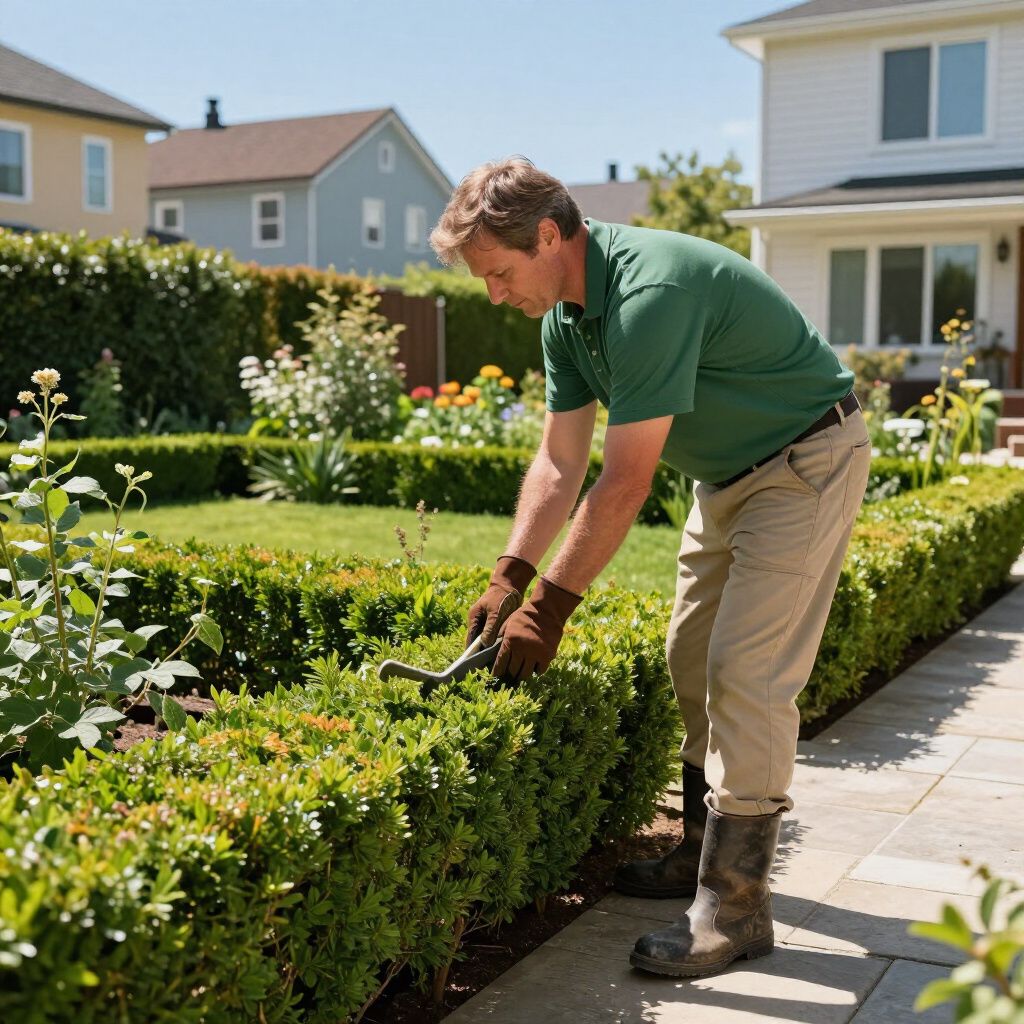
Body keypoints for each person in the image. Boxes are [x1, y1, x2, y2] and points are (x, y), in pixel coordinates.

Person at [429, 158, 871, 978]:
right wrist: (509, 575)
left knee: (746, 672)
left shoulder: (648, 293)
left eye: (498, 273)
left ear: (549, 236)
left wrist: (549, 609)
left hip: (806, 460)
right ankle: (701, 854)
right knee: (690, 658)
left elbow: (625, 480)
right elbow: (560, 462)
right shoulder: (566, 319)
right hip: (727, 477)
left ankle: (736, 906)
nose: (492, 294)